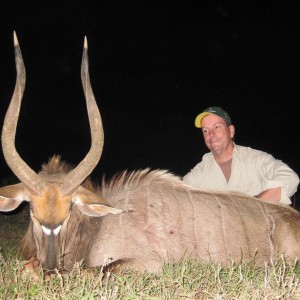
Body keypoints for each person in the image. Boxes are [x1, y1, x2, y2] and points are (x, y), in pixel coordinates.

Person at [183, 107, 299, 205]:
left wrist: (253, 206)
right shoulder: (198, 173)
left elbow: (290, 178)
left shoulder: (255, 159)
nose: (211, 135)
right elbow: (181, 196)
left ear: (231, 131)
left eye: (217, 127)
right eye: (205, 131)